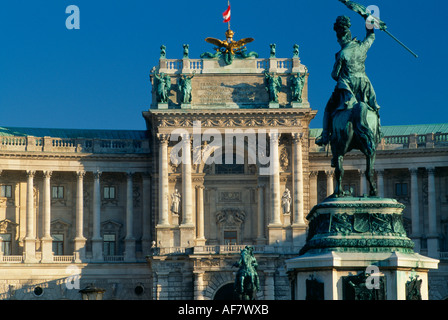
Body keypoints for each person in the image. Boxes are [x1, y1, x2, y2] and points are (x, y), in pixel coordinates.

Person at [315, 15, 380, 148]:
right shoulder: (361, 47)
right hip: (363, 85)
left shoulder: (342, 53)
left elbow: (334, 75)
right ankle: (378, 130)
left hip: (347, 87)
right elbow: (371, 36)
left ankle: (325, 135)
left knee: (328, 108)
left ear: (340, 39)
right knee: (373, 107)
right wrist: (369, 21)